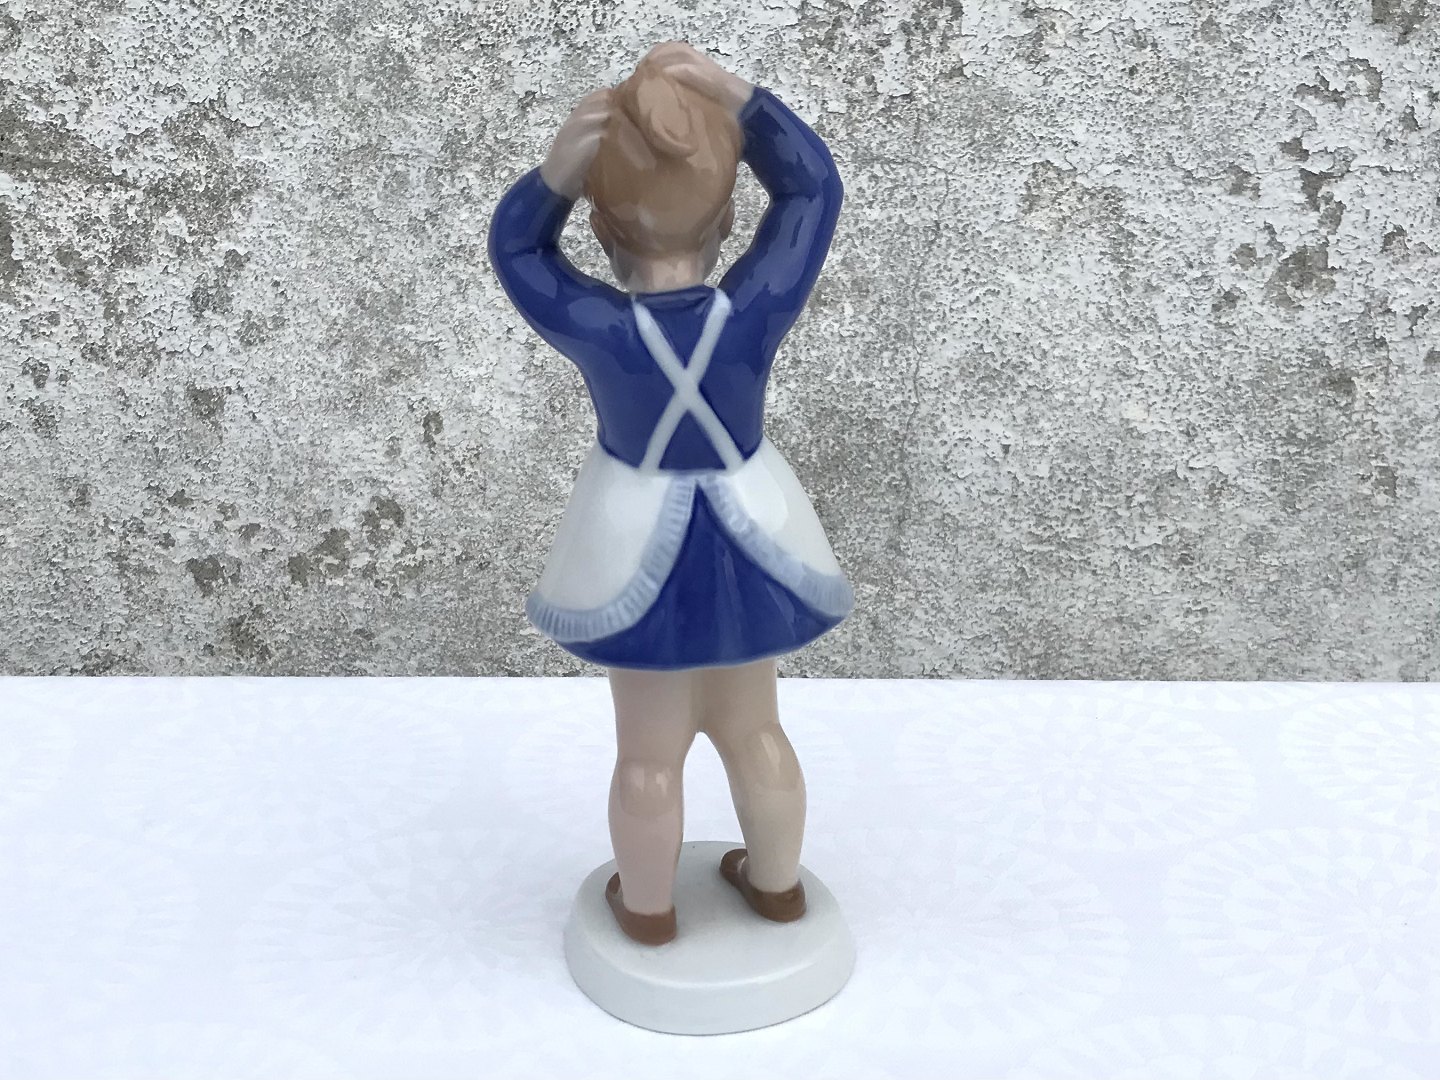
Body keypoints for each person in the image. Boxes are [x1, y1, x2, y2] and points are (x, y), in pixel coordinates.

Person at [489, 42, 851, 946]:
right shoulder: (754, 311)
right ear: (728, 218)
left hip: (636, 548)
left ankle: (648, 909)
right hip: (750, 545)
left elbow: (517, 251)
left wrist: (553, 178)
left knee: (648, 753)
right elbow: (814, 191)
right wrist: (740, 97)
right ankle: (777, 887)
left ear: (602, 229)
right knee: (755, 729)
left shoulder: (601, 329)